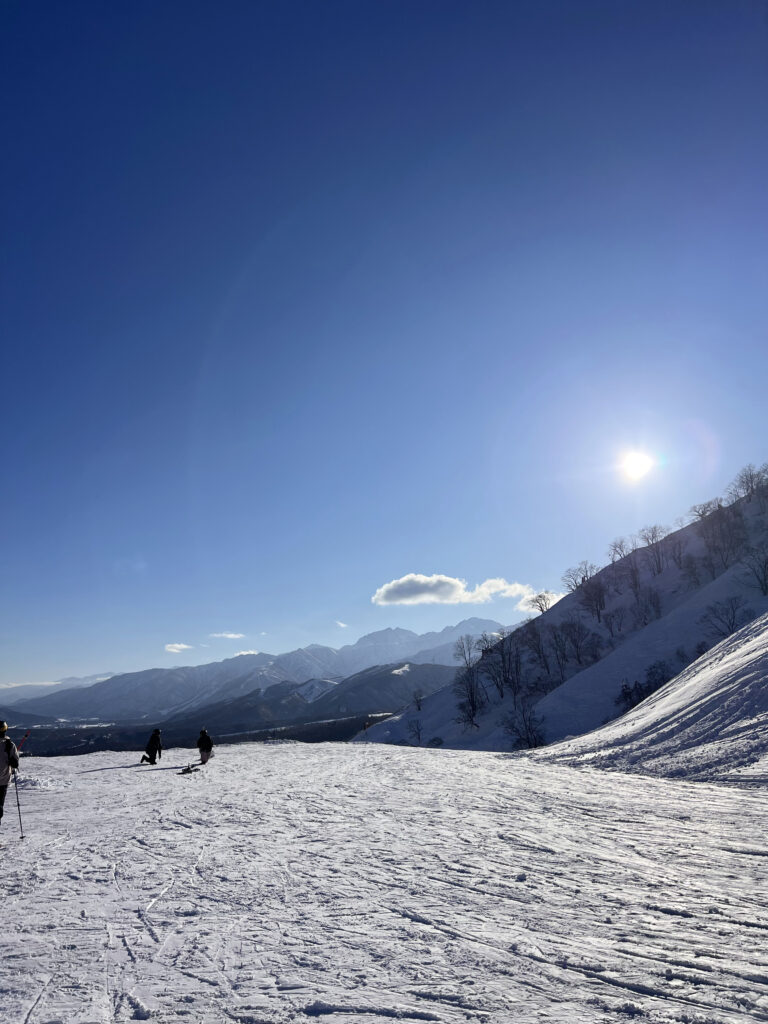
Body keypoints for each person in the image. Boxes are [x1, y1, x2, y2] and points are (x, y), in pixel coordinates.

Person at [0, 721, 20, 827]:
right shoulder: (9, 745)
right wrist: (13, 762)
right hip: (3, 781)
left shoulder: (9, 745)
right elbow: (15, 763)